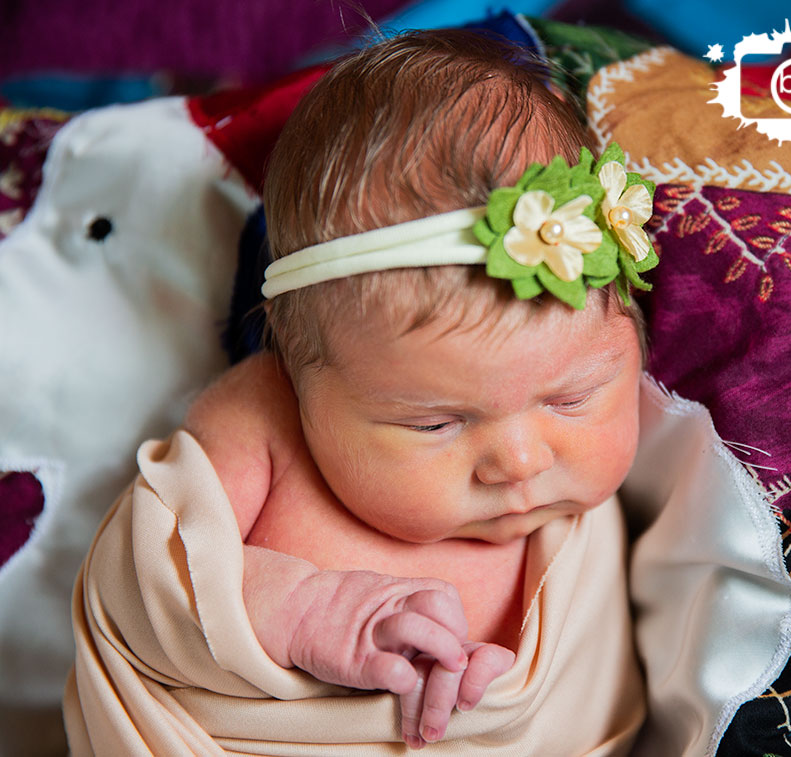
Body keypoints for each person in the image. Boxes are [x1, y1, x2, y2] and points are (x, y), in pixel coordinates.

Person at [66, 28, 656, 755]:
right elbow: (147, 574)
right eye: (437, 423)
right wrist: (308, 608)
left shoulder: (641, 480)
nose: (521, 460)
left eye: (572, 397)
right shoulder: (262, 417)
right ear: (299, 361)